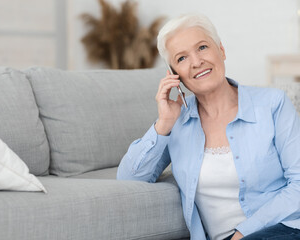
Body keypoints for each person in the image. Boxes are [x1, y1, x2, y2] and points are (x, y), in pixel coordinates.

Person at [117, 13, 300, 240]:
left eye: (202, 47)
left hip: (287, 228)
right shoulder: (177, 124)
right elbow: (129, 180)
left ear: (221, 50)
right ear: (175, 75)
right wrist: (163, 123)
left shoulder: (273, 104)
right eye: (181, 58)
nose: (196, 62)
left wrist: (244, 231)